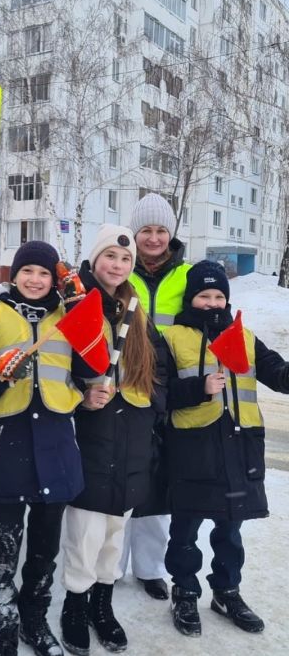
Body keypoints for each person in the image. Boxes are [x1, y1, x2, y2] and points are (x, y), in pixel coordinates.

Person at [0, 241, 85, 656]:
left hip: (56, 448)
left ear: (55, 279)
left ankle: (35, 621)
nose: (35, 280)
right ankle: (2, 643)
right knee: (2, 558)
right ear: (14, 275)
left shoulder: (68, 318)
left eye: (44, 273)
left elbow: (90, 369)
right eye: (27, 271)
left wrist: (83, 311)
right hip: (7, 449)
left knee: (44, 553)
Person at [163, 261, 289, 636]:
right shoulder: (171, 338)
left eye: (219, 296)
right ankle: (184, 590)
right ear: (190, 299)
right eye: (204, 296)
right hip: (192, 448)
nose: (213, 302)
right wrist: (198, 389)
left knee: (230, 530)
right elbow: (159, 393)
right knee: (185, 528)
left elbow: (277, 373)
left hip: (239, 446)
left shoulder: (244, 336)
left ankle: (226, 590)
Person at [61, 225, 167, 656]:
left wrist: (152, 404)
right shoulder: (74, 303)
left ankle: (102, 605)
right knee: (86, 528)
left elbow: (157, 370)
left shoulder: (135, 308)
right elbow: (58, 367)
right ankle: (75, 604)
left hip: (132, 435)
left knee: (115, 529)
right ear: (95, 259)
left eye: (124, 260)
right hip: (93, 432)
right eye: (109, 257)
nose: (117, 266)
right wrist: (81, 396)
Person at [121, 193, 192, 601]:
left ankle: (149, 568)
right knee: (121, 477)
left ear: (171, 234)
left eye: (160, 230)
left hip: (170, 392)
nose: (152, 238)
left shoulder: (185, 277)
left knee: (159, 482)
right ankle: (109, 567)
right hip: (126, 389)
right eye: (145, 230)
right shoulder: (121, 270)